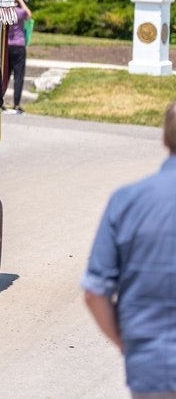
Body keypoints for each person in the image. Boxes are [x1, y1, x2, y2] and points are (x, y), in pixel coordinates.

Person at [82, 101, 176, 396]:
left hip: (152, 367)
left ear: (163, 139)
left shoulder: (127, 201)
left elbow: (95, 292)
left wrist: (131, 347)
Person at [4, 0, 32, 114]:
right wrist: (21, 0)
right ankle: (16, 104)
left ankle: (0, 101)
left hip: (7, 46)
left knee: (5, 74)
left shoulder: (6, 13)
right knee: (18, 76)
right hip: (19, 45)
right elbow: (29, 15)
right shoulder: (20, 12)